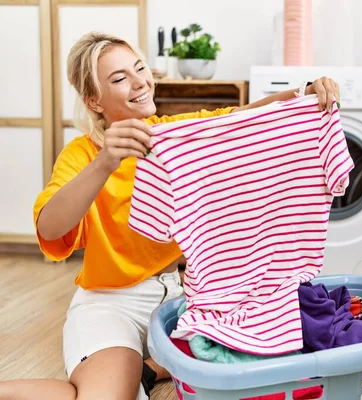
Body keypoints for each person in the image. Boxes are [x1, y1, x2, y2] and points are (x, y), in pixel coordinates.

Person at [0, 31, 341, 400]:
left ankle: (154, 366)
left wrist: (304, 94)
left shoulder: (174, 134)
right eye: (119, 79)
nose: (139, 83)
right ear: (93, 101)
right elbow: (50, 228)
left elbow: (242, 117)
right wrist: (105, 162)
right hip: (112, 301)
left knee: (259, 361)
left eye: (140, 68)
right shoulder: (84, 154)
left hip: (182, 296)